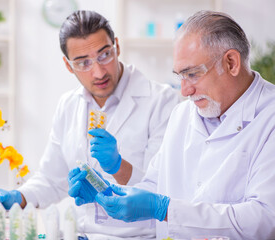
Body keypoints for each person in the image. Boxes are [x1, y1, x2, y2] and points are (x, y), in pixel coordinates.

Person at [69, 10, 275, 239]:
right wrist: (105, 194)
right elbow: (154, 188)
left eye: (193, 74)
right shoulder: (182, 115)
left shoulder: (269, 118)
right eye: (180, 76)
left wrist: (165, 209)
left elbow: (265, 219)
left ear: (231, 63)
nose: (185, 90)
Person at [0, 10, 179, 239]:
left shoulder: (161, 101)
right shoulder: (68, 105)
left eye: (104, 54)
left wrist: (118, 167)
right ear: (68, 65)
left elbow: (163, 190)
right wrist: (19, 197)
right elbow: (51, 179)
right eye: (83, 63)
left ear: (116, 46)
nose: (98, 71)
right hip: (80, 233)